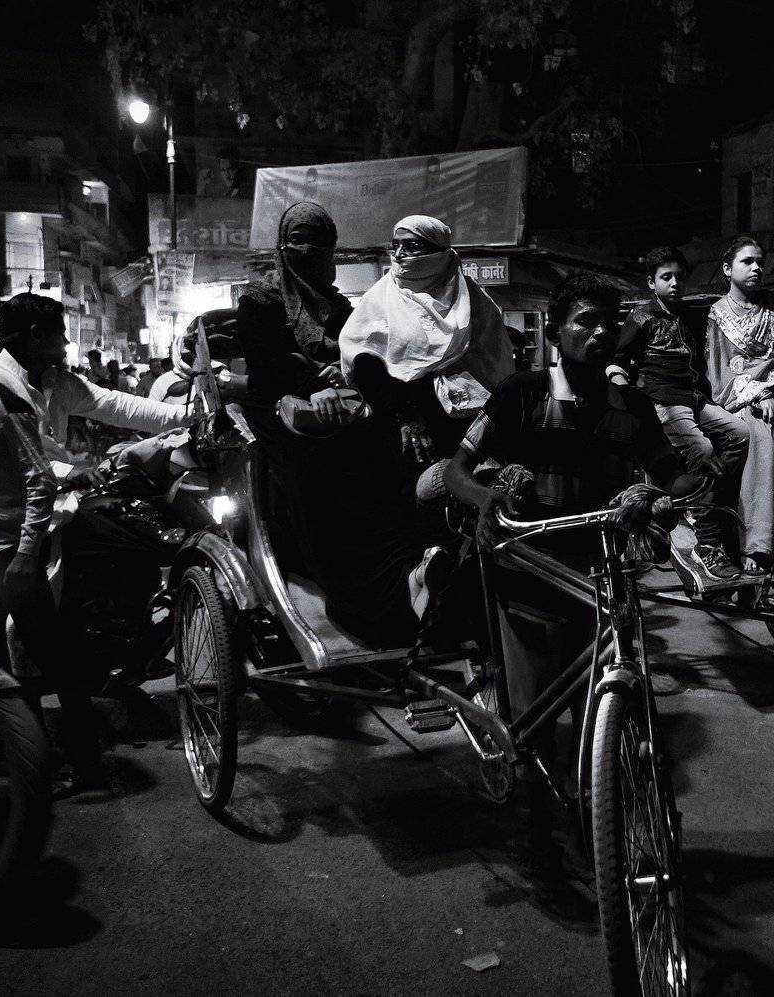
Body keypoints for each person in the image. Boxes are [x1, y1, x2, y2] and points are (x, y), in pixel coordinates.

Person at [444, 273, 701, 878]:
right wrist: (489, 500)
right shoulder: (521, 394)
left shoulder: (633, 408)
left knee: (599, 713)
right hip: (528, 574)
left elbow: (675, 473)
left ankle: (600, 821)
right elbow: (457, 471)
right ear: (557, 332)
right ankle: (540, 839)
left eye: (609, 323)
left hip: (603, 576)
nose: (600, 332)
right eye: (585, 321)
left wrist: (660, 493)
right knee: (533, 725)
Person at [234, 202, 438, 647]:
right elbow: (267, 365)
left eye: (318, 243)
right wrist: (313, 385)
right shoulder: (257, 300)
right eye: (298, 241)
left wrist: (356, 384)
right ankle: (352, 597)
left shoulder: (341, 305)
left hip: (338, 404)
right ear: (282, 246)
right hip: (277, 407)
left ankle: (406, 575)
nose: (308, 251)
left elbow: (362, 356)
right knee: (316, 466)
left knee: (389, 453)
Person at [0, 294, 108, 795]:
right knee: (3, 654)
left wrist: (24, 553)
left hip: (9, 552)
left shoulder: (4, 400)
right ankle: (30, 753)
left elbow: (38, 480)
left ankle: (80, 766)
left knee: (50, 657)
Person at [341, 214, 514, 480]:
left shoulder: (474, 301)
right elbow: (364, 364)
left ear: (439, 252)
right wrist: (407, 417)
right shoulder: (379, 301)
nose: (400, 254)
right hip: (405, 433)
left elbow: (494, 363)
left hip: (468, 429)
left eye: (412, 246)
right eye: (396, 245)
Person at [617, 245, 752, 580]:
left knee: (740, 433)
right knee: (703, 451)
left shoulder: (689, 316)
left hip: (696, 399)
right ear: (652, 282)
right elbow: (618, 360)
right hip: (664, 401)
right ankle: (707, 543)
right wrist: (627, 394)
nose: (675, 283)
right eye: (666, 277)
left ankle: (705, 495)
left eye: (679, 276)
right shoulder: (641, 317)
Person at [704, 234, 774, 573]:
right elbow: (719, 374)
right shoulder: (718, 315)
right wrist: (759, 393)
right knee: (759, 436)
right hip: (740, 398)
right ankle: (757, 543)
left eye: (760, 262)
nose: (756, 267)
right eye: (747, 261)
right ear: (727, 269)